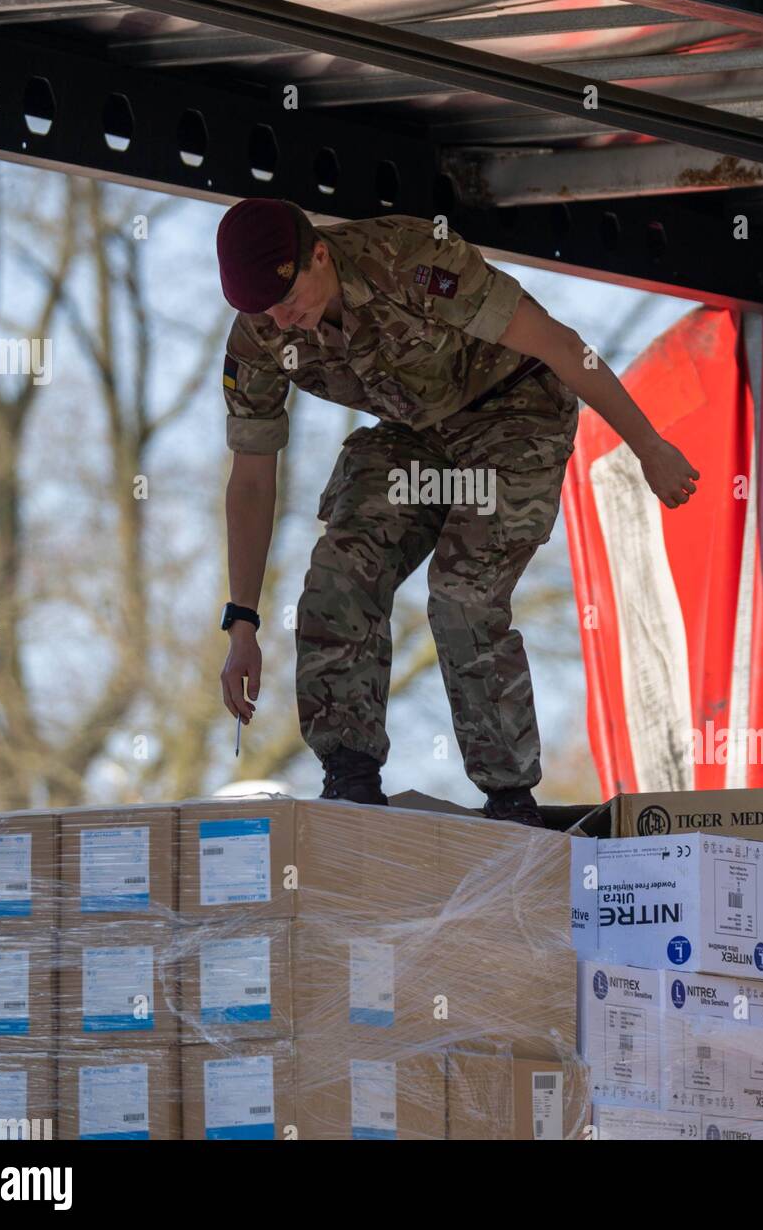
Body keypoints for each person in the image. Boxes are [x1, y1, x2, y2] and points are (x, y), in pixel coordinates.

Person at [217, 199, 698, 826]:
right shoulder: (260, 334)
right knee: (339, 575)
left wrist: (648, 446)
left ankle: (510, 799)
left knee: (461, 592)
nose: (284, 321)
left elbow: (559, 344)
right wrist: (243, 623)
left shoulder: (412, 261)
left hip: (512, 410)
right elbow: (252, 479)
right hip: (414, 432)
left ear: (319, 254)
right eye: (266, 312)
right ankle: (351, 780)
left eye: (288, 299)